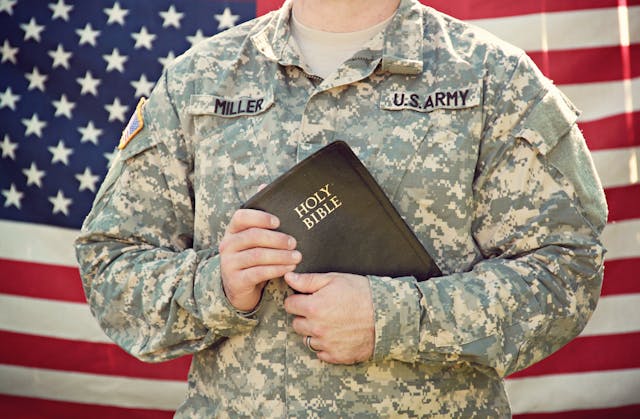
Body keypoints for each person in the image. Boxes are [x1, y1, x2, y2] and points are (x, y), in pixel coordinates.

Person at [75, 0, 608, 416]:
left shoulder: (496, 79)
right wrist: (218, 286)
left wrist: (394, 319)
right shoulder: (199, 81)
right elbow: (111, 264)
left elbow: (565, 272)